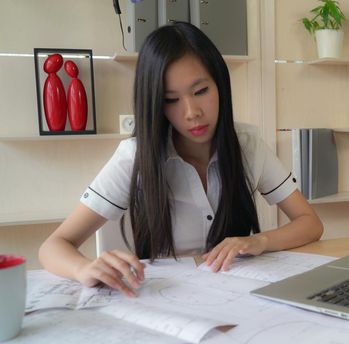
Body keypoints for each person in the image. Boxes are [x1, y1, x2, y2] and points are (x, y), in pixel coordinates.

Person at [39, 22, 323, 297]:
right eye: (170, 100)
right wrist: (84, 268)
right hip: (165, 298)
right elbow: (53, 246)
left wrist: (259, 241)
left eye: (201, 91)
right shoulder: (135, 157)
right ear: (155, 104)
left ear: (220, 85)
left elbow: (310, 223)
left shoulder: (247, 144)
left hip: (239, 294)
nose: (191, 112)